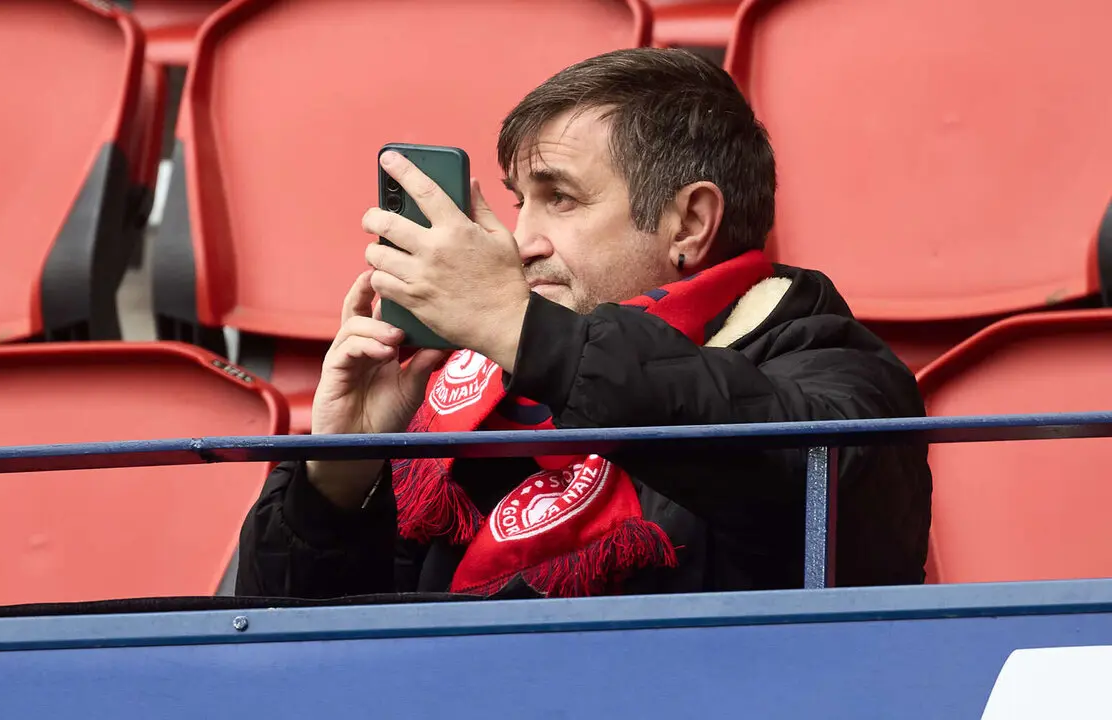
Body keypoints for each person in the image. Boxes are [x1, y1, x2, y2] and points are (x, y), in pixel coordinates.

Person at [236, 48, 931, 600]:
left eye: (560, 199)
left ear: (689, 222)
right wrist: (337, 476)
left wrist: (519, 327)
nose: (520, 241)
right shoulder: (459, 395)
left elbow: (802, 477)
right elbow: (296, 659)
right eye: (519, 202)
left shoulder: (839, 369)